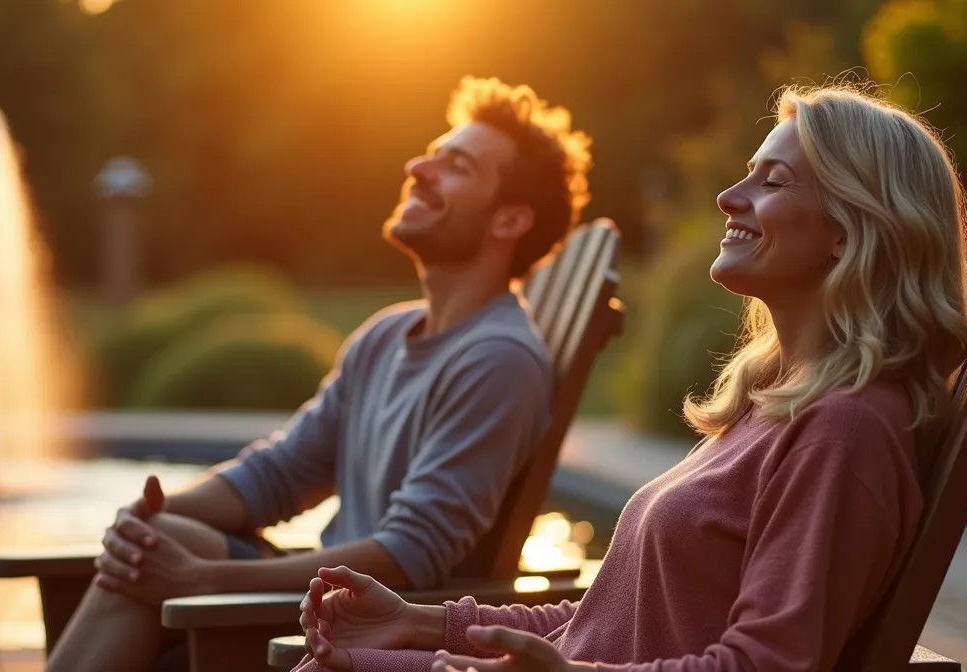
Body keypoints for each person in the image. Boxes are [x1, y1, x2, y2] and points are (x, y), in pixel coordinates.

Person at [291, 83, 967, 672]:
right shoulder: (772, 409)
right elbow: (613, 618)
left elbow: (765, 665)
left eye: (771, 182)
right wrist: (421, 624)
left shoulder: (843, 433)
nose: (728, 196)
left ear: (848, 228)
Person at [45, 75, 594, 672]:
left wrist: (205, 577)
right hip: (307, 606)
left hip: (351, 631)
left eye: (455, 165)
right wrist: (146, 511)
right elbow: (278, 475)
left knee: (159, 551)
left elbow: (410, 554)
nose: (419, 167)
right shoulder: (386, 336)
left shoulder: (498, 360)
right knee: (157, 538)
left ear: (509, 221)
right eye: (431, 153)